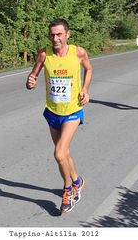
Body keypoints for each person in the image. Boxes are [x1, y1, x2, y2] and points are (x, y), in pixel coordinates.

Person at [26, 19, 93, 213]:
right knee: (64, 154)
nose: (55, 38)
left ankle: (68, 191)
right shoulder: (44, 54)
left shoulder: (78, 52)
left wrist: (85, 89)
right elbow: (34, 75)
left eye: (59, 34)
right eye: (52, 35)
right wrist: (30, 82)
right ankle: (77, 181)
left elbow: (88, 69)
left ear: (67, 35)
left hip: (72, 111)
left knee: (58, 153)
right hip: (52, 111)